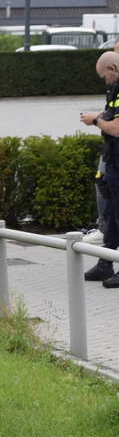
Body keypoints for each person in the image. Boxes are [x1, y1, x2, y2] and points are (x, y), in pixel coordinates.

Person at [79, 51, 119, 286]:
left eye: (105, 76)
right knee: (112, 215)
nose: (105, 81)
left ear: (113, 68)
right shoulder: (115, 91)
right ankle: (106, 262)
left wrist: (95, 120)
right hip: (115, 161)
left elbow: (117, 128)